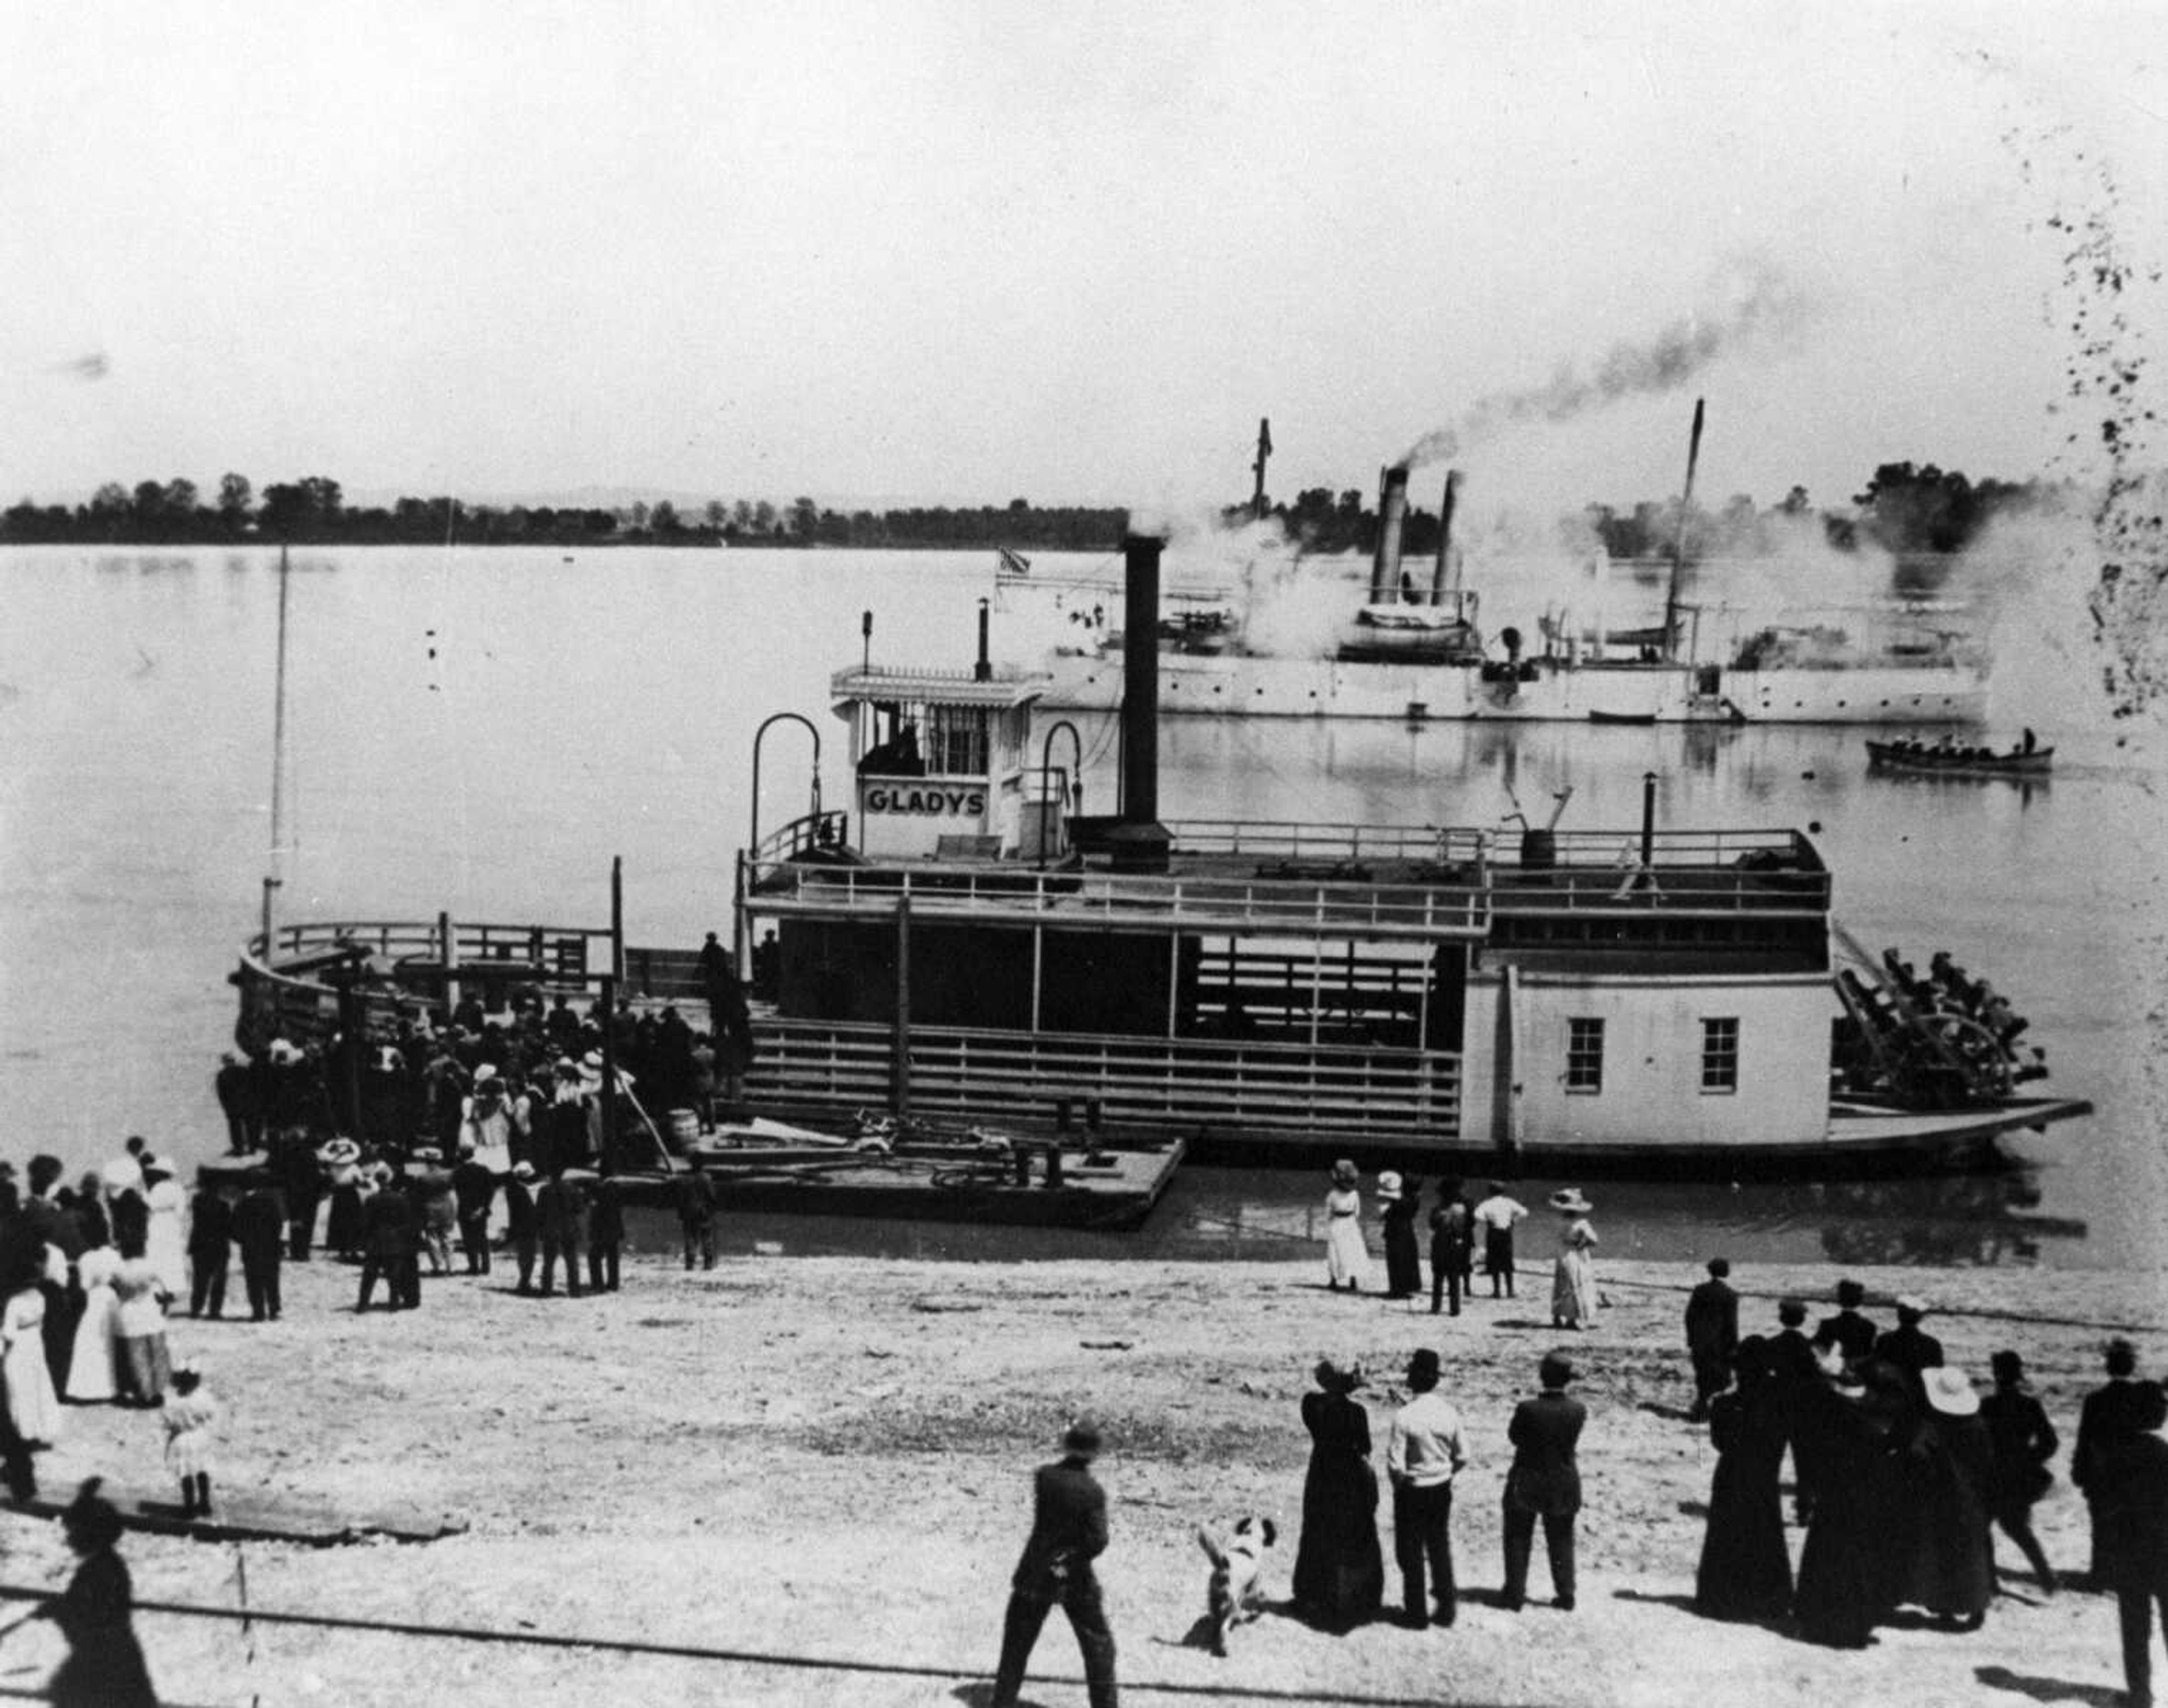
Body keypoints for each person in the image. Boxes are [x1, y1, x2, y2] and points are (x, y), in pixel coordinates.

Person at [989, 1417, 1117, 1708]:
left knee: (1017, 1645)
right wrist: (1066, 1561)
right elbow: (1098, 1540)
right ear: (1095, 1452)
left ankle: (1002, 1702)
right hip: (1071, 1577)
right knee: (1099, 1645)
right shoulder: (1093, 1491)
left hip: (1035, 1571)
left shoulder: (1044, 1477)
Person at [33, 1479, 158, 1707]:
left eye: (74, 1531)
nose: (69, 1538)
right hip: (109, 1662)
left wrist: (60, 1610)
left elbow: (92, 1618)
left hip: (108, 1667)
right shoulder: (103, 1564)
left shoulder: (102, 1570)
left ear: (90, 1533)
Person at [1695, 1337, 1793, 1622]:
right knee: (1765, 1533)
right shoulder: (1779, 1406)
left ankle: (1723, 1598)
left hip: (1732, 1473)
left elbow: (1718, 1442)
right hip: (1764, 1475)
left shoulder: (1724, 1405)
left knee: (1727, 1535)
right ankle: (1768, 1598)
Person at [1900, 1365, 1995, 1630]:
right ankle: (1976, 1605)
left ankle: (1945, 1605)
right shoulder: (1978, 1426)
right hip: (1973, 1497)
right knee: (1972, 1552)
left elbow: (1917, 1457)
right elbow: (1988, 1462)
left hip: (1939, 1495)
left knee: (1940, 1550)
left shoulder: (1931, 1427)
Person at [1291, 1359, 1383, 1630]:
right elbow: (1365, 1447)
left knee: (1317, 1531)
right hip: (1350, 1476)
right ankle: (1350, 1599)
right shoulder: (1357, 1413)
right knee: (1350, 1535)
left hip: (1322, 1473)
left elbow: (1313, 1407)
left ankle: (1312, 1595)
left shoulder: (1312, 1405)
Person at [2097, 1381, 2168, 1708]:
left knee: (2135, 1627)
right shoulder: (2166, 1453)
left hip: (2131, 1551)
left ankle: (2140, 1694)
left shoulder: (2117, 1457)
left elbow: (2106, 1507)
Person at [1385, 1347, 1466, 1629]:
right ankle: (1447, 1608)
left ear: (1412, 1379)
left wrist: (1400, 1486)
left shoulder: (1404, 1416)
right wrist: (1446, 1473)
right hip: (1441, 1486)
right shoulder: (1449, 1413)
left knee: (1410, 1552)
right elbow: (1463, 1455)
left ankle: (1416, 1612)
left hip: (1413, 1488)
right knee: (1439, 1546)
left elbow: (1395, 1464)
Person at [1501, 1351, 1586, 1613]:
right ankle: (1566, 1592)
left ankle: (1515, 1593)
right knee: (1561, 1537)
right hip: (1563, 1480)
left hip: (1528, 1477)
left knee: (1518, 1535)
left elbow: (1515, 1437)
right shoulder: (1577, 1410)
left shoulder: (1527, 1409)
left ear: (1541, 1376)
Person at [2075, 1338, 2163, 1584]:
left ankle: (2100, 1575)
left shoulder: (2095, 1400)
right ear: (2132, 1367)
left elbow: (2085, 1438)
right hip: (2134, 1472)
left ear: (2108, 1368)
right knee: (2130, 1524)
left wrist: (2080, 1472)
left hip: (2102, 1470)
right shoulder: (2140, 1397)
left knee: (2101, 1525)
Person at [1980, 1349, 2059, 1596]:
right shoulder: (2030, 1405)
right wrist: (2028, 1460)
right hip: (2019, 1477)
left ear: (1995, 1375)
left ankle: (1990, 1581)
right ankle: (2046, 1578)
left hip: (1992, 1475)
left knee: (1983, 1529)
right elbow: (2050, 1442)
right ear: (2018, 1376)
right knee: (2019, 1529)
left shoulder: (1986, 1406)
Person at [2, 1273, 63, 1446]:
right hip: (34, 1341)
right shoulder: (39, 1296)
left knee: (19, 1388)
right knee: (38, 1386)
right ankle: (38, 1430)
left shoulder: (15, 1302)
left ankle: (24, 1433)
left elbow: (9, 1333)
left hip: (18, 1347)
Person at [1684, 1259, 1740, 1421]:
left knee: (1702, 1378)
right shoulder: (1730, 1295)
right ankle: (1715, 1413)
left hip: (1700, 1343)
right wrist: (1734, 1347)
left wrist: (1692, 1339)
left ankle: (1701, 1411)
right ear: (1726, 1273)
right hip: (1720, 1346)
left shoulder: (1700, 1291)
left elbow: (1689, 1317)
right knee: (1721, 1379)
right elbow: (1732, 1324)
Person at [111, 1259, 171, 1408]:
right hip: (150, 1309)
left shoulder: (118, 1268)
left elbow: (116, 1290)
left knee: (138, 1356)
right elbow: (164, 1289)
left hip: (129, 1311)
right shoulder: (150, 1265)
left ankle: (145, 1393)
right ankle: (158, 1391)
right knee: (157, 1353)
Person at [161, 1362, 217, 1519]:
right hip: (199, 1436)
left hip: (181, 1438)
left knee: (185, 1473)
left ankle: (189, 1506)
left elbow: (167, 1422)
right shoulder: (202, 1396)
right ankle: (205, 1503)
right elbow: (210, 1413)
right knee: (202, 1469)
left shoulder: (171, 1401)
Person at [67, 1244, 121, 1404]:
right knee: (108, 1340)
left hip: (94, 1297)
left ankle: (89, 1389)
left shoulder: (86, 1258)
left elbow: (84, 1285)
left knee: (90, 1340)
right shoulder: (113, 1255)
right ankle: (112, 1387)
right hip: (110, 1297)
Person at [356, 1175, 416, 1312]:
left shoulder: (371, 1199)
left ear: (377, 1182)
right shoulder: (401, 1199)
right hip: (394, 1241)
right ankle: (394, 1304)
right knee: (394, 1275)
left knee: (369, 1276)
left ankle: (363, 1304)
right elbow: (407, 1222)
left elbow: (364, 1223)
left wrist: (363, 1242)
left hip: (375, 1241)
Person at [233, 1177, 285, 1323]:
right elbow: (278, 1224)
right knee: (272, 1279)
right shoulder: (270, 1202)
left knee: (254, 1281)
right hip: (271, 1247)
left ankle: (258, 1312)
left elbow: (234, 1229)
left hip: (251, 1248)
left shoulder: (242, 1205)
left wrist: (243, 1240)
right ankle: (274, 1309)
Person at [1548, 1189, 1598, 1330]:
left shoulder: (1558, 1221)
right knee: (1576, 1284)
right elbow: (1594, 1240)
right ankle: (1571, 1318)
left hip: (1562, 1251)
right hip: (1575, 1253)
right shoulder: (1581, 1223)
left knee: (1561, 1283)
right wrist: (1581, 1243)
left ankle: (1557, 1316)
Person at [1872, 1296, 1946, 1389]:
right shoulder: (1933, 1344)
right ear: (1920, 1318)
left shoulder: (1884, 1340)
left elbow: (1876, 1369)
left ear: (1898, 1315)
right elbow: (1937, 1375)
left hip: (1891, 1393)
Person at [185, 1181, 233, 1320]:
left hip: (200, 1245)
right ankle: (215, 1310)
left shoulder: (197, 1202)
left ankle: (196, 1308)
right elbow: (229, 1227)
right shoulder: (224, 1206)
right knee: (219, 1281)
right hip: (219, 1246)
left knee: (199, 1280)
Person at [1472, 1181, 1528, 1299]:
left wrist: (1488, 1220)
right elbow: (1524, 1212)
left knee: (1494, 1261)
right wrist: (1513, 1221)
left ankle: (1497, 1291)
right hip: (1506, 1232)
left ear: (1490, 1191)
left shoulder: (1487, 1203)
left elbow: (1477, 1215)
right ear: (1503, 1191)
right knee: (1507, 1261)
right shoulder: (1509, 1202)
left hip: (1493, 1232)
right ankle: (1510, 1290)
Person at [141, 1159, 186, 1300]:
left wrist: (143, 1194)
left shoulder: (157, 1188)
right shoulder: (178, 1188)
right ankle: (172, 1289)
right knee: (172, 1256)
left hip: (158, 1222)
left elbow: (151, 1205)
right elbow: (181, 1211)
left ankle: (158, 1289)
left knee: (157, 1255)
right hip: (172, 1223)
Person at [1429, 1181, 1474, 1317]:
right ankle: (1455, 1309)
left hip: (1439, 1243)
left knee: (1438, 1277)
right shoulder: (1461, 1209)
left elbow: (1432, 1225)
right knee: (1454, 1278)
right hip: (1454, 1244)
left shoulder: (1436, 1209)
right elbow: (1462, 1228)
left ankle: (1436, 1307)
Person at [1321, 1161, 1367, 1294]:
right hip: (1351, 1223)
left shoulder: (1332, 1194)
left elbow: (1327, 1213)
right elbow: (1357, 1212)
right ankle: (1353, 1280)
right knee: (1352, 1251)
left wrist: (1329, 1223)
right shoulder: (1355, 1194)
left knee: (1335, 1252)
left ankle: (1334, 1280)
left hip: (1337, 1223)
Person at [1813, 1278, 1878, 1370]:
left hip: (1832, 1375)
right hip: (1858, 1377)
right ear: (1860, 1301)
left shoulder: (1827, 1325)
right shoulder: (1870, 1327)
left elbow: (1817, 1351)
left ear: (1840, 1300)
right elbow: (1871, 1357)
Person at [451, 1145, 497, 1276]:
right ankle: (486, 1266)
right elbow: (490, 1191)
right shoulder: (484, 1170)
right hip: (481, 1209)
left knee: (469, 1239)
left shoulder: (458, 1172)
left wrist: (468, 1211)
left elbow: (460, 1194)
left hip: (466, 1210)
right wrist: (483, 1208)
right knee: (482, 1237)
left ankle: (474, 1266)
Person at [1378, 1173, 1420, 1300]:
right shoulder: (1415, 1200)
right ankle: (1406, 1288)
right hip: (1408, 1230)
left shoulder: (1400, 1201)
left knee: (1395, 1260)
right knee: (1408, 1259)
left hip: (1395, 1231)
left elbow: (1387, 1215)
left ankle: (1396, 1289)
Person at [504, 1162, 540, 1293]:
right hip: (528, 1226)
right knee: (529, 1254)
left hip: (519, 1226)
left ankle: (524, 1279)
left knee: (523, 1254)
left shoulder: (512, 1190)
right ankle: (525, 1280)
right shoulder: (522, 1191)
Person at [677, 1165, 719, 1271]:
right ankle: (708, 1264)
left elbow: (681, 1198)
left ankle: (690, 1263)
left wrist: (681, 1213)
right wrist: (712, 1210)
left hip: (689, 1212)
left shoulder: (685, 1180)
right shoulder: (707, 1179)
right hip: (703, 1212)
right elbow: (712, 1196)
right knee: (707, 1238)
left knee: (690, 1238)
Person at [587, 1177, 624, 1293]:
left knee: (594, 1257)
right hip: (614, 1230)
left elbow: (596, 1215)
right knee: (612, 1257)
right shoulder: (616, 1192)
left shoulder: (599, 1195)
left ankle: (598, 1283)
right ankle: (613, 1283)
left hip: (602, 1231)